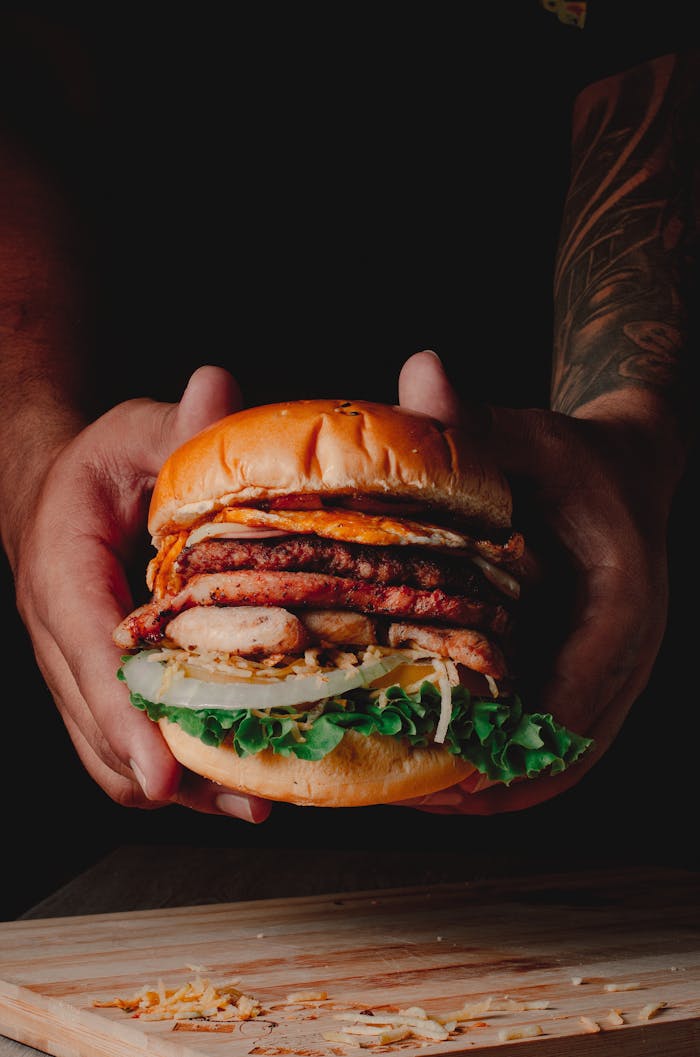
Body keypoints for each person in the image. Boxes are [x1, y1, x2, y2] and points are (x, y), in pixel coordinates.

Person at [0, 13, 697, 829]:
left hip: (582, 640)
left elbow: (653, 61)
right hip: (92, 766)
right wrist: (34, 463)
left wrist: (635, 428)